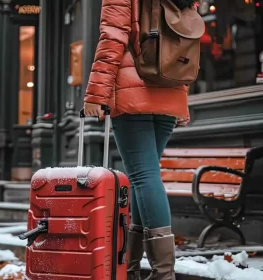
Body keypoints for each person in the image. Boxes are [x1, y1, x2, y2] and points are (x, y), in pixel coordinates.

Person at [83, 0, 198, 279]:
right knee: (143, 178)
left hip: (133, 91)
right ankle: (131, 267)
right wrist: (181, 97)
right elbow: (184, 44)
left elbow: (112, 37)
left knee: (144, 176)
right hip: (169, 88)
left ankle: (162, 274)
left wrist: (96, 94)